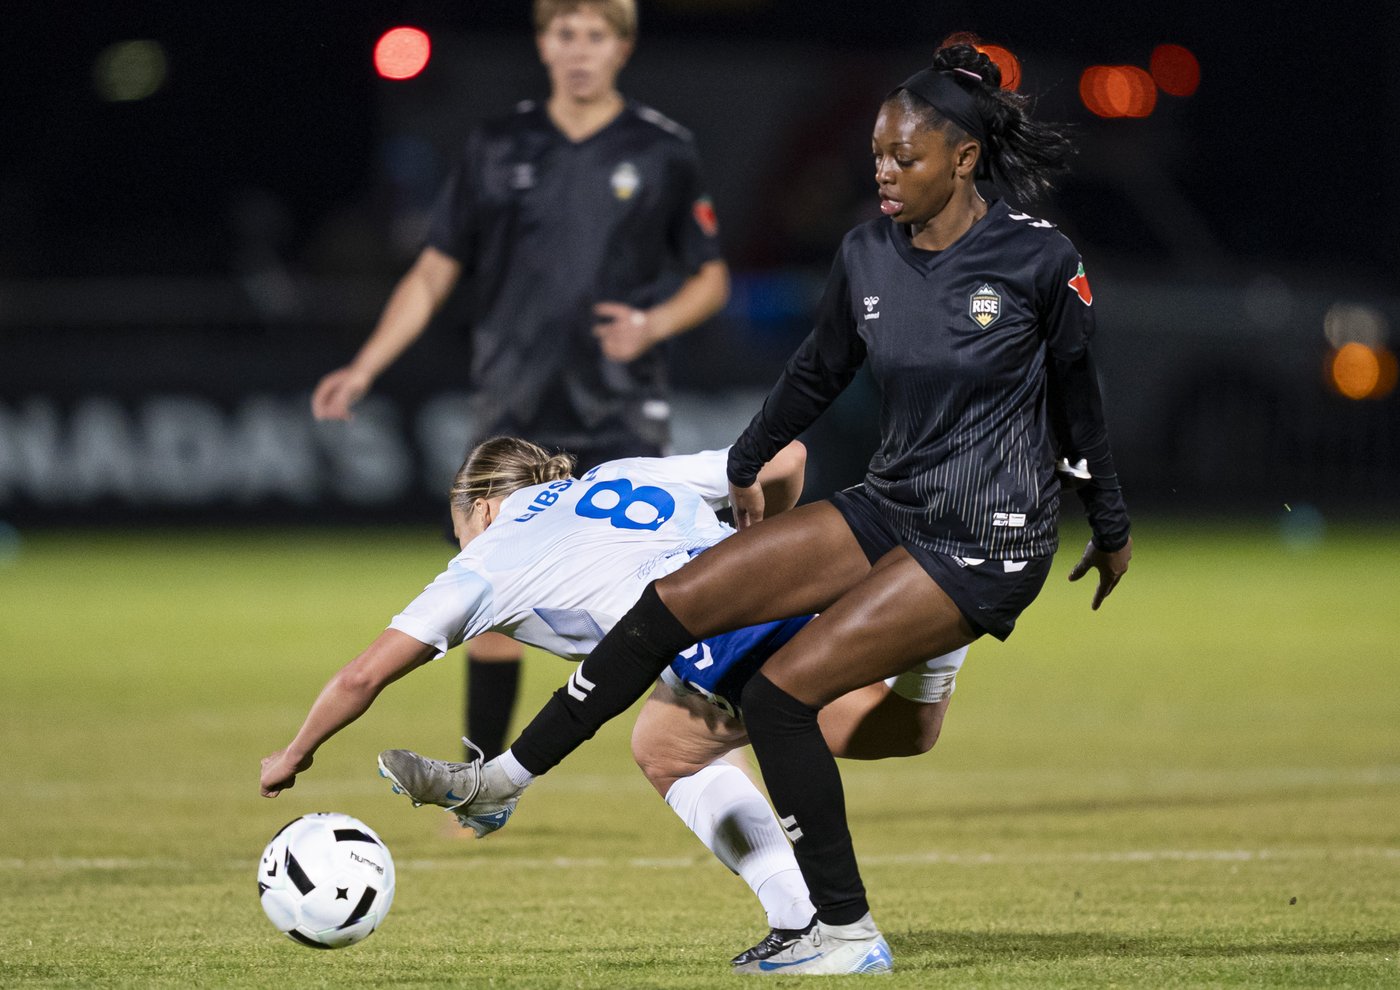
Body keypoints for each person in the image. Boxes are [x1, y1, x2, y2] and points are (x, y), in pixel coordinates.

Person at [394, 42, 1135, 976]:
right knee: (678, 600)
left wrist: (1107, 524)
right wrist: (744, 463)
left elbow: (1080, 396)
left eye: (905, 157)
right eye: (876, 153)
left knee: (780, 698)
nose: (883, 172)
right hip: (893, 503)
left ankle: (846, 932)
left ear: (964, 159)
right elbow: (818, 372)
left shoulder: (1038, 257)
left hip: (985, 538)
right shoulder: (867, 251)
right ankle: (498, 780)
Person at [259, 437, 968, 966]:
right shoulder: (619, 475)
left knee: (841, 732)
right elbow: (783, 455)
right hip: (768, 589)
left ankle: (820, 921)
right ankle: (936, 614)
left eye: (458, 523)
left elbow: (361, 677)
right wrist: (761, 538)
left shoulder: (482, 563)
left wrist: (294, 754)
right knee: (676, 741)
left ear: (477, 507)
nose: (458, 538)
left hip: (713, 641)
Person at [309, 0, 730, 763]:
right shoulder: (498, 145)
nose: (579, 50)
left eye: (595, 35)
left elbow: (710, 278)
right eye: (564, 33)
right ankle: (479, 779)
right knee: (494, 601)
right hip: (515, 403)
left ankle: (713, 757)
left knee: (679, 596)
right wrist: (365, 366)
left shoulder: (663, 149)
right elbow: (435, 268)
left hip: (621, 402)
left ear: (622, 47)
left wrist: (653, 325)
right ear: (542, 44)